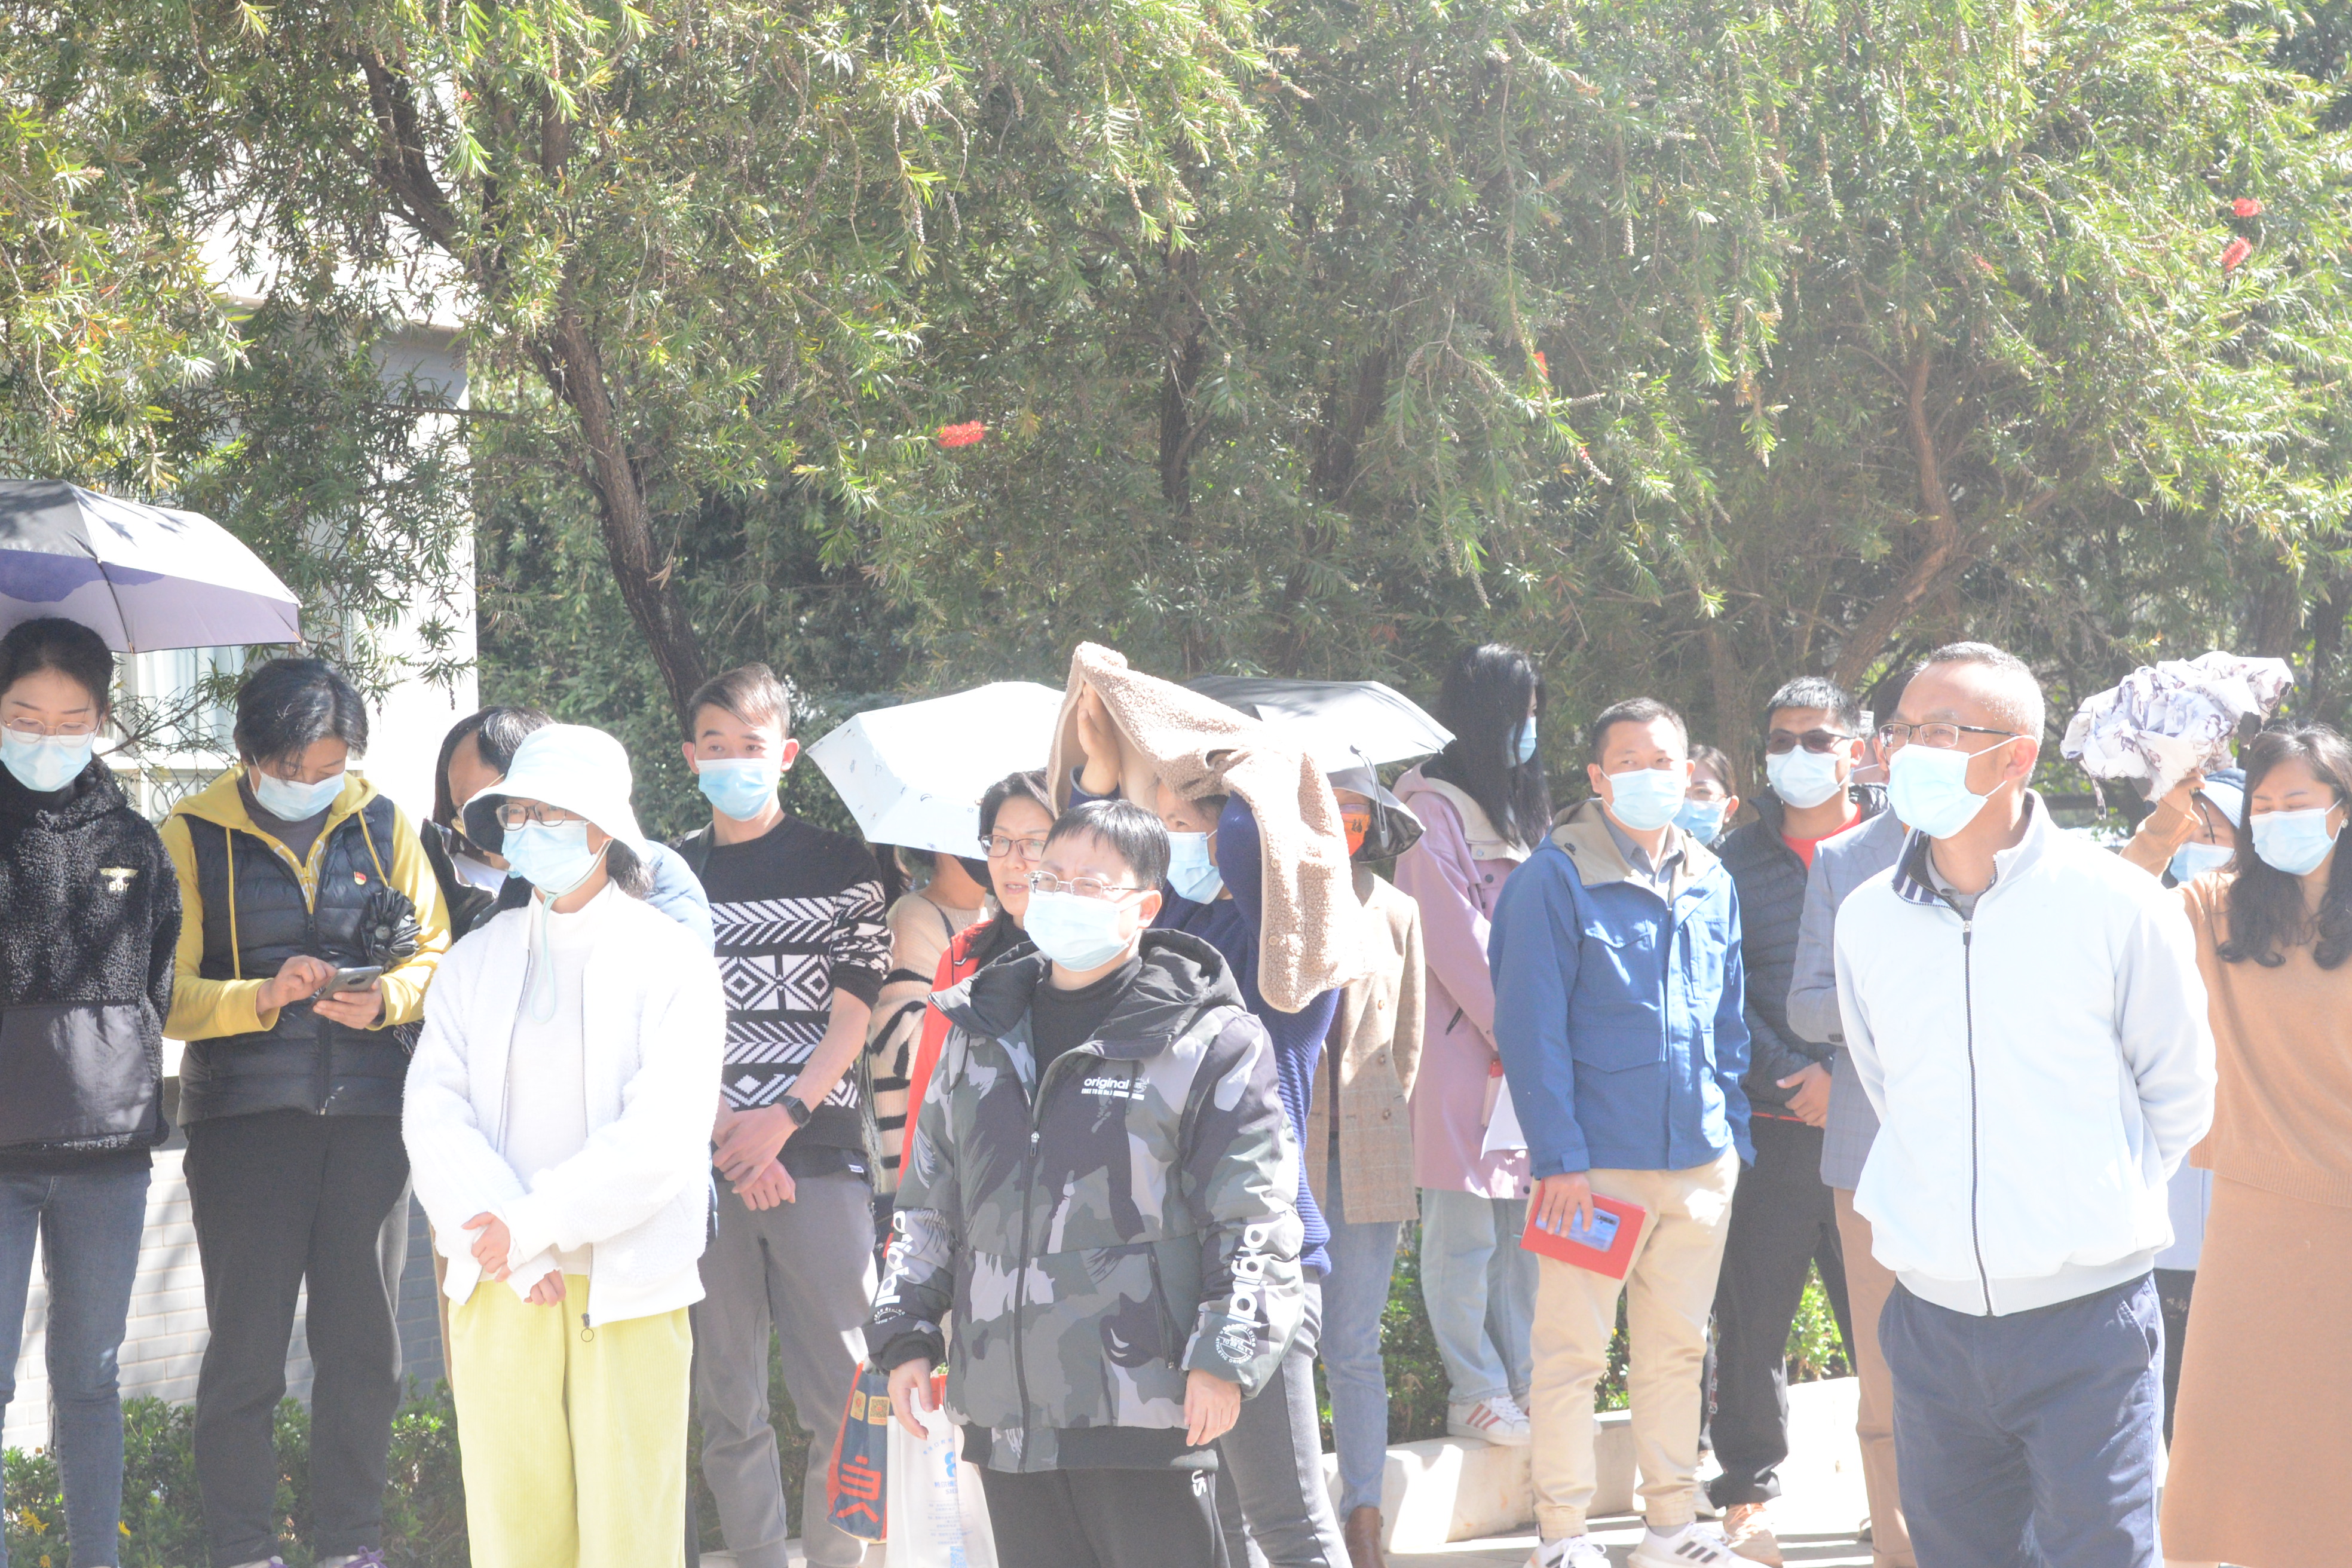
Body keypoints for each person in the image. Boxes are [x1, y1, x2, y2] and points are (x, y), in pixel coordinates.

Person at [1833, 642, 2213, 1568]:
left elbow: (2179, 1094)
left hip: (2088, 1322)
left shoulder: (2120, 905)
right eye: (1901, 730)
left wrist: (2089, 1201)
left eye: (1941, 730)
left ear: (2017, 757)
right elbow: (1888, 1087)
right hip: (1931, 1326)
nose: (1909, 751)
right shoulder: (1867, 917)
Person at [869, 799, 1304, 1568]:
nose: (1061, 896)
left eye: (1090, 883)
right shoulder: (981, 1030)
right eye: (1051, 877)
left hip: (1145, 1413)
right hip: (1008, 1416)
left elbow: (1254, 1218)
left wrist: (1225, 1356)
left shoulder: (1206, 1040)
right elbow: (928, 1202)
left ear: (1146, 906)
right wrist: (905, 1332)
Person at [404, 724, 724, 1568]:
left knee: (632, 1533)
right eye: (516, 813)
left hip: (630, 1284)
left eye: (549, 813)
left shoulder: (672, 959)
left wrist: (534, 1222)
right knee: (513, 1528)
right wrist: (507, 1238)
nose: (526, 829)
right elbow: (430, 1111)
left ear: (604, 828)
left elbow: (665, 1130)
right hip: (500, 1279)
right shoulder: (475, 959)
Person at [160, 657, 451, 1568]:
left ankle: (352, 1545)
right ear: (249, 753)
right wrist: (261, 996)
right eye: (294, 769)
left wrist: (388, 998)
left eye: (332, 767)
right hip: (243, 1126)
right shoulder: (189, 832)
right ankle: (245, 1548)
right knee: (245, 1354)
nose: (315, 783)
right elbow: (166, 994)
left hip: (369, 1122)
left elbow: (437, 957)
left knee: (363, 1351)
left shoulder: (385, 822)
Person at [1068, 684, 1349, 1568]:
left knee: (1288, 1522)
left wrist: (1224, 761)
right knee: (1217, 1530)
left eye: (1183, 820)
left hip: (1257, 1263)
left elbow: (1254, 840)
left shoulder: (1290, 957)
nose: (1173, 836)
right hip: (1163, 1263)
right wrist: (1100, 777)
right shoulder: (1170, 936)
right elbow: (1102, 877)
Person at [1490, 696, 1753, 1568]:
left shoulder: (1712, 878)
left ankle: (1671, 1527)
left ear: (1689, 770)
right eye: (1628, 761)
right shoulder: (1553, 878)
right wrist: (1559, 1158)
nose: (1649, 775)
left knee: (1677, 1353)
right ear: (1598, 779)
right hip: (1592, 1173)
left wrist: (1733, 1136)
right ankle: (1561, 1536)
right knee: (1570, 1355)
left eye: (1664, 760)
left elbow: (1728, 1020)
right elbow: (1531, 1030)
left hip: (1700, 1167)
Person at [2106, 731, 2350, 1568]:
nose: (2278, 819)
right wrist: (2165, 823)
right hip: (2251, 1223)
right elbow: (2106, 911)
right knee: (2230, 1454)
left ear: (2343, 808)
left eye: (2298, 802)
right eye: (2264, 806)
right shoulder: (2217, 905)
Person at [669, 664, 890, 1568]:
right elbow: (659, 1015)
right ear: (690, 757)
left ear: (786, 753)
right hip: (707, 1163)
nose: (733, 761)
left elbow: (854, 1013)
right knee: (728, 1401)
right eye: (714, 745)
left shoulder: (844, 865)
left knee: (849, 1390)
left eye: (751, 746)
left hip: (821, 1157)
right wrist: (731, 1131)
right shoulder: (669, 875)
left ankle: (842, 1558)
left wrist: (784, 1118)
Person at [0, 618, 180, 1568]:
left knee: (91, 1379)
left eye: (72, 720)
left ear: (102, 721)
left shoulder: (134, 841)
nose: (48, 736)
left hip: (108, 1153)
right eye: (25, 716)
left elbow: (158, 978)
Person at [1704, 678, 1868, 1564]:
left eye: (1817, 737)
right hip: (1773, 1123)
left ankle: (1900, 1489)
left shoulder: (1900, 850)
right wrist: (1793, 1074)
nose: (1797, 753)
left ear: (1853, 748)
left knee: (1888, 1320)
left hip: (1877, 1127)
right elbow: (1719, 989)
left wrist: (1848, 1079)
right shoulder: (1732, 860)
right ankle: (1748, 1497)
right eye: (1781, 739)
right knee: (1752, 1320)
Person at [1392, 644, 1545, 1447]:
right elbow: (1455, 941)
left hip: (1527, 1047)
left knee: (1522, 1233)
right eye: (1522, 712)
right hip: (1461, 1050)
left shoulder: (1520, 804)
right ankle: (1475, 1388)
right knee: (1463, 1233)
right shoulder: (1426, 807)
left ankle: (1524, 1381)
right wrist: (1524, 1031)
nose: (1532, 728)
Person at [1783, 771, 1909, 1568]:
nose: (1928, 747)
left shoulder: (2035, 855)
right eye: (1912, 730)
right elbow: (1805, 1005)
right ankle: (1898, 1546)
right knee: (1887, 1370)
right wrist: (1899, 992)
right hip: (1870, 1154)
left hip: (1999, 1151)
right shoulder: (1845, 858)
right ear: (1885, 748)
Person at [1306, 759, 1426, 1568]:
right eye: (1331, 808)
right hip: (1287, 1150)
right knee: (1281, 1340)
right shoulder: (1271, 898)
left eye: (1357, 811)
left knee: (1352, 1343)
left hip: (1368, 1153)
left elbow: (1407, 1043)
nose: (1344, 823)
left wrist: (1373, 1123)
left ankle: (1363, 1516)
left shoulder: (1396, 908)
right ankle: (1289, 1514)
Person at [2116, 768, 2241, 1444]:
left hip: (2253, 1192)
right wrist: (2164, 827)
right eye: (2192, 829)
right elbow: (2117, 889)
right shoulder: (2161, 913)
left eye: (2214, 830)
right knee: (2168, 1387)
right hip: (2168, 1190)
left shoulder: (2297, 925)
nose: (2201, 844)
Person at [431, 706, 713, 950]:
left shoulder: (661, 890)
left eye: (549, 809)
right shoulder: (494, 926)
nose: (485, 825)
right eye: (515, 811)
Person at [900, 769, 1056, 1129]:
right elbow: (928, 1096)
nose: (1013, 861)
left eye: (1034, 843)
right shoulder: (962, 955)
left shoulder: (1093, 959)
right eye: (1000, 841)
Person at [865, 842, 989, 1215]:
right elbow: (906, 1045)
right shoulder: (914, 916)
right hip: (922, 1177)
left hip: (969, 1164)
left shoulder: (995, 914)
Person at [1680, 742, 1741, 847]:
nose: (1687, 802)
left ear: (1729, 809)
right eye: (1680, 790)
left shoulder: (1743, 856)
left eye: (1703, 792)